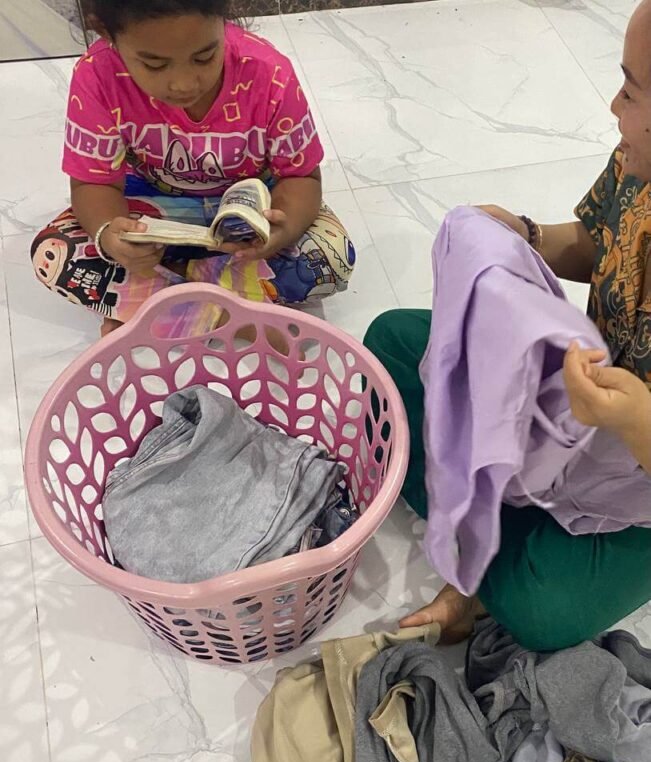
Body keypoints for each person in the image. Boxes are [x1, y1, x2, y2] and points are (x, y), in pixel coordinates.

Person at [364, 0, 651, 652]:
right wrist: (523, 234)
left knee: (543, 614)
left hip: (637, 483)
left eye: (632, 92)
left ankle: (482, 531)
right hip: (580, 402)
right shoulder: (638, 165)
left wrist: (633, 419)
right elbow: (594, 238)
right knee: (389, 346)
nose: (613, 107)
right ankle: (492, 516)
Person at [31, 0, 355, 336]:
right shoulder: (97, 75)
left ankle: (157, 307)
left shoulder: (268, 72)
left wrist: (281, 232)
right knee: (54, 254)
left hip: (246, 218)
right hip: (152, 213)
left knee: (330, 258)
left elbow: (301, 176)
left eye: (204, 57)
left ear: (223, 18)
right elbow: (92, 185)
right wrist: (110, 234)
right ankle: (233, 320)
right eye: (154, 64)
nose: (184, 84)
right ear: (105, 32)